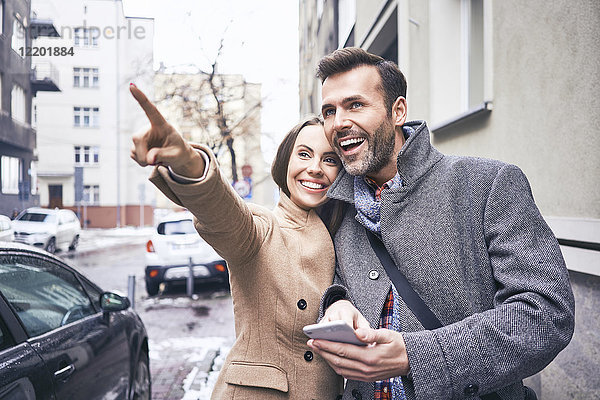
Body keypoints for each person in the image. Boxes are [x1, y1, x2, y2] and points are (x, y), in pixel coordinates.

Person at [306, 47, 575, 400]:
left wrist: (415, 356)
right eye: (329, 110)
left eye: (355, 105)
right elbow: (342, 280)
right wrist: (338, 301)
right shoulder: (337, 207)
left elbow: (546, 315)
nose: (338, 122)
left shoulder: (488, 183)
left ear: (397, 111)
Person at [129, 84, 344, 399]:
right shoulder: (264, 227)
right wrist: (188, 160)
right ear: (286, 162)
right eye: (304, 154)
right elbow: (223, 213)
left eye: (330, 159)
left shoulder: (344, 233)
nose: (315, 168)